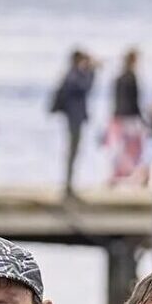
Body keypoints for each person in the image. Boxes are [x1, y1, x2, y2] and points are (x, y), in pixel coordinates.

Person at [51, 49, 96, 196]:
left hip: (74, 117)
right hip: (74, 118)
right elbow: (86, 87)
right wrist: (91, 71)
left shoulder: (71, 75)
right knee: (73, 150)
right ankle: (68, 184)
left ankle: (69, 183)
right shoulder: (74, 76)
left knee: (74, 150)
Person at [105, 49, 150, 187]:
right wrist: (141, 118)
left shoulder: (118, 78)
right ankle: (135, 175)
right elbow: (134, 100)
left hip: (118, 115)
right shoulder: (132, 78)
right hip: (130, 116)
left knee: (118, 148)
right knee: (135, 147)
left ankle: (116, 175)